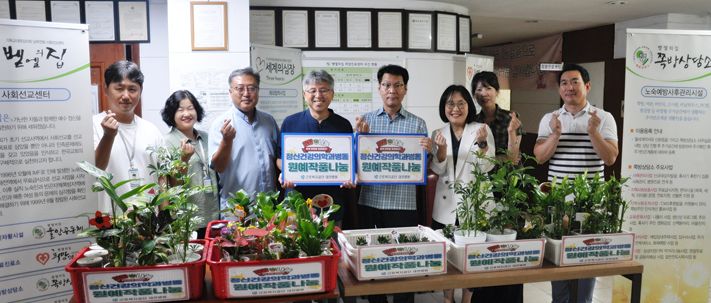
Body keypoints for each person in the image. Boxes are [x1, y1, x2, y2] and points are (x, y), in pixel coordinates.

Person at [534, 64, 619, 303]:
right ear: (559, 89)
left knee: (586, 260)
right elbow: (540, 156)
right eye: (564, 83)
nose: (569, 87)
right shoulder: (550, 119)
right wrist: (555, 135)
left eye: (575, 82)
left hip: (591, 203)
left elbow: (610, 158)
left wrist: (594, 133)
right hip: (557, 203)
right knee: (559, 260)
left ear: (587, 86)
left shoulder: (603, 118)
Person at [353, 64, 433, 303]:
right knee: (371, 256)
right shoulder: (364, 121)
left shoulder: (417, 124)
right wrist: (359, 138)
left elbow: (422, 164)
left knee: (404, 258)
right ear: (379, 88)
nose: (392, 90)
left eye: (397, 85)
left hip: (403, 202)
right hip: (370, 200)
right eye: (387, 85)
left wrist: (429, 151)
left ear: (405, 89)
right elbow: (352, 161)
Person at [430, 85, 495, 303]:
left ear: (468, 106)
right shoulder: (437, 133)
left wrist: (483, 143)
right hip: (446, 204)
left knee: (472, 255)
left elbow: (487, 167)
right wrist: (440, 151)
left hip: (474, 202)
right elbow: (438, 170)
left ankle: (467, 299)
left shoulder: (480, 129)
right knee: (446, 254)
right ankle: (448, 298)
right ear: (444, 107)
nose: (455, 108)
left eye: (460, 103)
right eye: (450, 103)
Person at [469, 71, 525, 302]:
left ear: (497, 91)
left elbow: (514, 158)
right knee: (485, 245)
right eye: (479, 89)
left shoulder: (510, 118)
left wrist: (511, 135)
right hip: (482, 190)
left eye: (488, 88)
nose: (484, 93)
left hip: (507, 189)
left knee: (509, 245)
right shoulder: (472, 120)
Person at [93, 60, 165, 213]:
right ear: (106, 89)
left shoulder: (151, 130)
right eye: (119, 88)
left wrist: (167, 221)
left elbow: (162, 178)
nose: (126, 96)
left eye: (132, 89)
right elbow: (94, 170)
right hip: (111, 225)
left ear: (141, 90)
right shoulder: (92, 125)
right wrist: (108, 136)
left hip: (149, 226)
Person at [208, 67, 279, 218]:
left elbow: (278, 159)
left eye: (251, 88)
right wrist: (227, 141)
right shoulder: (220, 125)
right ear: (230, 91)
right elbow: (219, 167)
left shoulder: (269, 121)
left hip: (268, 208)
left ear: (258, 90)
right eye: (240, 89)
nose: (246, 94)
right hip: (237, 210)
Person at [161, 90, 220, 239]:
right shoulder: (165, 142)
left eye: (190, 108)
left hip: (213, 215)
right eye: (180, 110)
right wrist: (184, 160)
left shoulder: (207, 137)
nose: (186, 113)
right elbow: (173, 186)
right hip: (186, 220)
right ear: (171, 114)